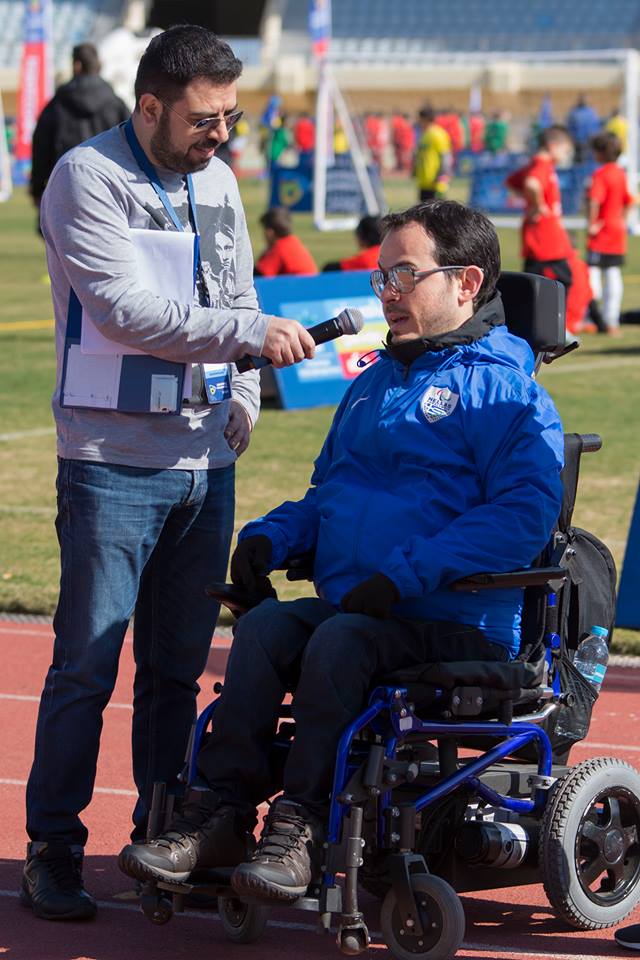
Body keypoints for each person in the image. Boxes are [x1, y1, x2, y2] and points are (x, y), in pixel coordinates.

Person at [119, 199, 564, 905]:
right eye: (381, 276)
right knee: (265, 629)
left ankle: (301, 825)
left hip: (454, 621)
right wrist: (271, 537)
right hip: (366, 611)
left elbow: (521, 518)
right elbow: (331, 495)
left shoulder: (510, 395)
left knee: (341, 640)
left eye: (404, 275)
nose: (387, 292)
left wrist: (403, 576)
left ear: (467, 282)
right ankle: (221, 815)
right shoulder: (376, 384)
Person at [21, 24, 316, 923]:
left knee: (177, 673)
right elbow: (123, 310)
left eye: (230, 117)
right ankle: (52, 848)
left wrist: (247, 397)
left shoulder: (218, 179)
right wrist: (247, 337)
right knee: (87, 666)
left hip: (205, 464)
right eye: (203, 119)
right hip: (110, 464)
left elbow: (238, 293)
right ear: (149, 106)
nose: (220, 135)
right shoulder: (85, 177)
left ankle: (160, 843)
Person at [30, 42, 130, 209]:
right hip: (111, 190)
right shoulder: (116, 103)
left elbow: (41, 146)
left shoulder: (57, 104)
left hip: (67, 188)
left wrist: (37, 188)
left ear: (77, 65)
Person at [505, 125, 574, 294]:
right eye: (565, 151)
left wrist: (530, 200)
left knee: (533, 282)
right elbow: (532, 184)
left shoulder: (535, 164)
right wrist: (538, 205)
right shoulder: (542, 165)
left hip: (540, 235)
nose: (566, 156)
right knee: (559, 281)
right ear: (553, 146)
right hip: (544, 237)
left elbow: (512, 182)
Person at [586, 132, 635, 336]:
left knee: (592, 273)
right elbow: (629, 200)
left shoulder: (601, 174)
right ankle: (611, 319)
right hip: (617, 229)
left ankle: (591, 317)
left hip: (603, 230)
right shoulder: (620, 173)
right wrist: (622, 219)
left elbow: (594, 200)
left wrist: (592, 223)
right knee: (613, 274)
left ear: (600, 153)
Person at [254, 207, 318, 277]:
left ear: (270, 232)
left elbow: (258, 276)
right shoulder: (293, 242)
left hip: (297, 284)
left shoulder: (279, 249)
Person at [414, 107, 452, 201]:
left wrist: (442, 176)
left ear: (425, 119)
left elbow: (445, 156)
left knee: (437, 209)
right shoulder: (424, 134)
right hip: (424, 182)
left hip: (435, 183)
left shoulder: (438, 134)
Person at [566, 95, 601, 164]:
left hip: (589, 141)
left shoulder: (591, 112)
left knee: (589, 160)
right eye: (581, 99)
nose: (582, 101)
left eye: (583, 99)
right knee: (578, 161)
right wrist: (571, 137)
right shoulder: (574, 112)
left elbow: (595, 125)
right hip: (577, 141)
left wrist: (593, 137)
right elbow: (570, 126)